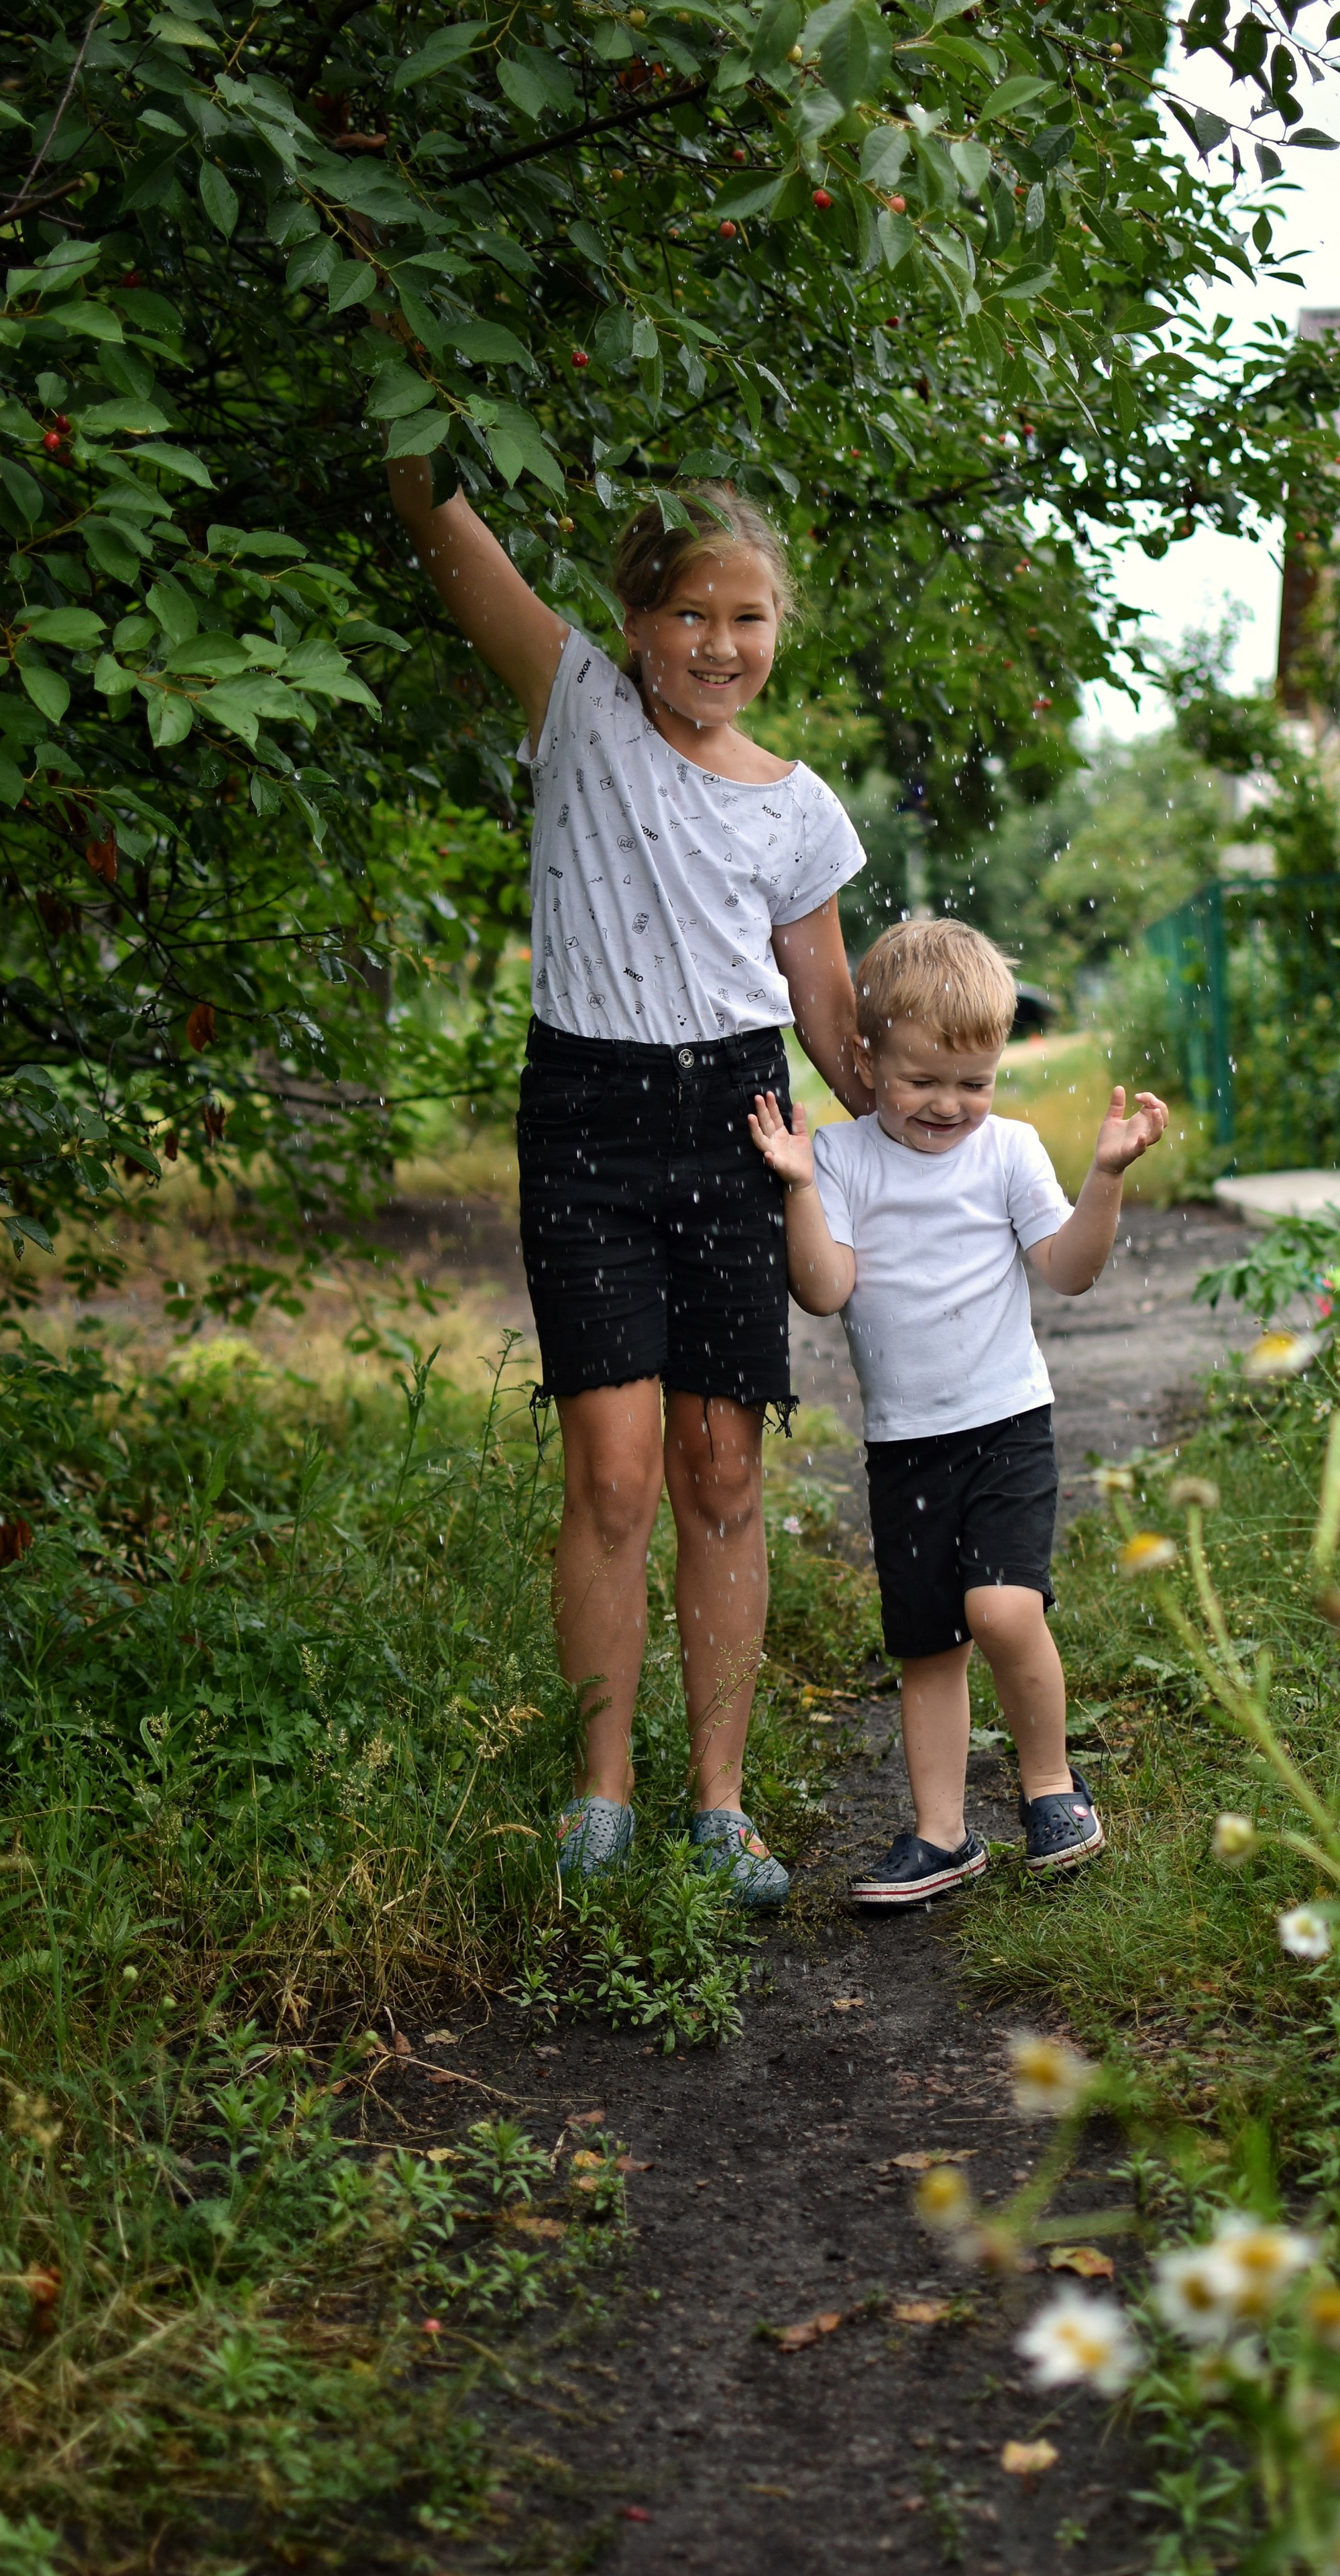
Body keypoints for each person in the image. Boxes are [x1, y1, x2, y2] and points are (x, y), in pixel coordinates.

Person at [385, 464, 870, 1905]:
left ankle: (719, 1809)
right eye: (689, 613)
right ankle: (598, 1799)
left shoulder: (799, 811)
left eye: (750, 617)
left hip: (739, 1120)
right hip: (588, 1118)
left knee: (719, 1472)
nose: (720, 644)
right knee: (608, 1474)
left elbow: (833, 1025)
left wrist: (928, 1136)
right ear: (633, 618)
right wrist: (394, 348)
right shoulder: (576, 704)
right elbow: (437, 515)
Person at [748, 918, 1169, 1905]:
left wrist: (1102, 1179)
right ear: (868, 1058)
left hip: (1007, 1427)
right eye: (922, 1080)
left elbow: (1067, 1272)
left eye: (973, 1084)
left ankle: (1052, 1788)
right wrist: (801, 1190)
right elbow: (824, 1290)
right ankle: (941, 1836)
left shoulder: (1009, 1153)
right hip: (906, 1448)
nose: (949, 1106)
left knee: (1002, 1606)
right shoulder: (844, 1160)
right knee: (928, 1645)